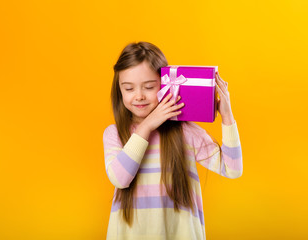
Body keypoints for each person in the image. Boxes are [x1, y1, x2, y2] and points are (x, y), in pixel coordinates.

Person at [103, 41, 243, 240]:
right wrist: (147, 126)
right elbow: (120, 179)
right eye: (128, 89)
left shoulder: (185, 131)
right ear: (119, 91)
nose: (139, 96)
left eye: (149, 87)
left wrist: (227, 117)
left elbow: (233, 169)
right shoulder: (114, 133)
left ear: (166, 84)